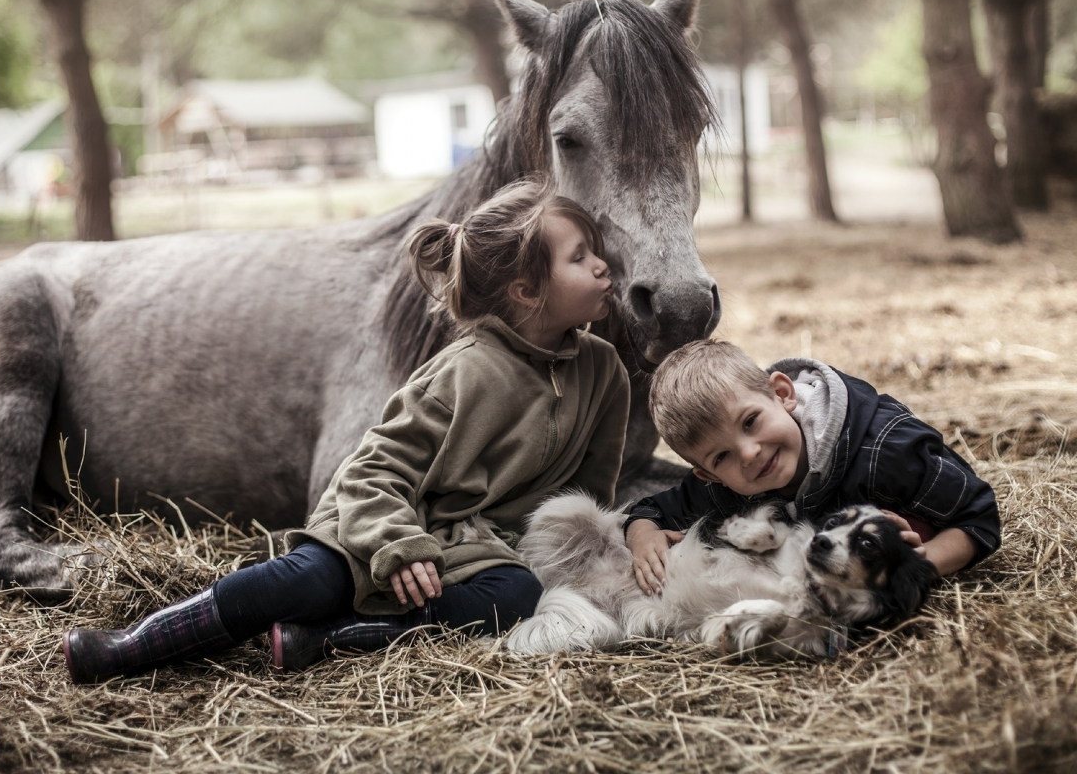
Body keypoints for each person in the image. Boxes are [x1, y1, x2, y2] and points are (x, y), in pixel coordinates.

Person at [63, 177, 631, 683]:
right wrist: (398, 547)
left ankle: (328, 637)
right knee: (305, 580)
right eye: (579, 258)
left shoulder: (604, 371)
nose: (602, 265)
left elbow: (588, 492)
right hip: (381, 522)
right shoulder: (464, 372)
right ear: (527, 291)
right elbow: (370, 471)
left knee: (516, 598)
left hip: (475, 552)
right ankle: (132, 647)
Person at [626, 339, 1000, 597]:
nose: (749, 453)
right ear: (707, 475)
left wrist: (922, 563)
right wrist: (643, 537)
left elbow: (977, 518)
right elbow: (650, 510)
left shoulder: (886, 451)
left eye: (750, 421)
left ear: (783, 394)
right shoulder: (723, 486)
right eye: (721, 457)